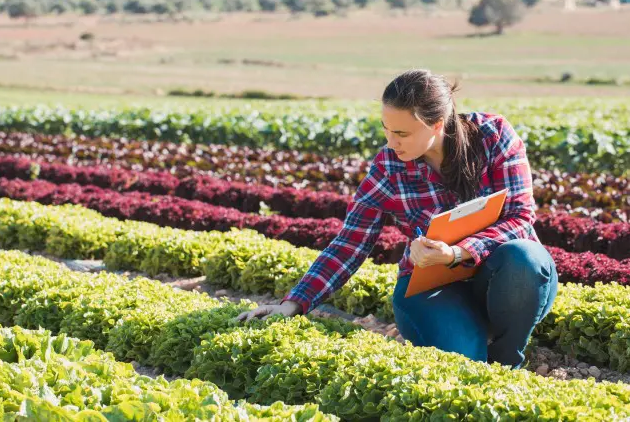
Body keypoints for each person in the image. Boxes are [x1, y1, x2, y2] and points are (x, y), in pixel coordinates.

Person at [236, 68, 558, 370]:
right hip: (431, 286)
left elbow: (519, 216)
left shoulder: (493, 137)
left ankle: (506, 361)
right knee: (465, 361)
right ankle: (467, 335)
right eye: (386, 130)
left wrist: (459, 252)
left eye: (402, 132)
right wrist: (294, 303)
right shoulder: (389, 167)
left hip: (507, 278)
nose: (391, 142)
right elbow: (350, 243)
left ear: (437, 124)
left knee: (524, 257)